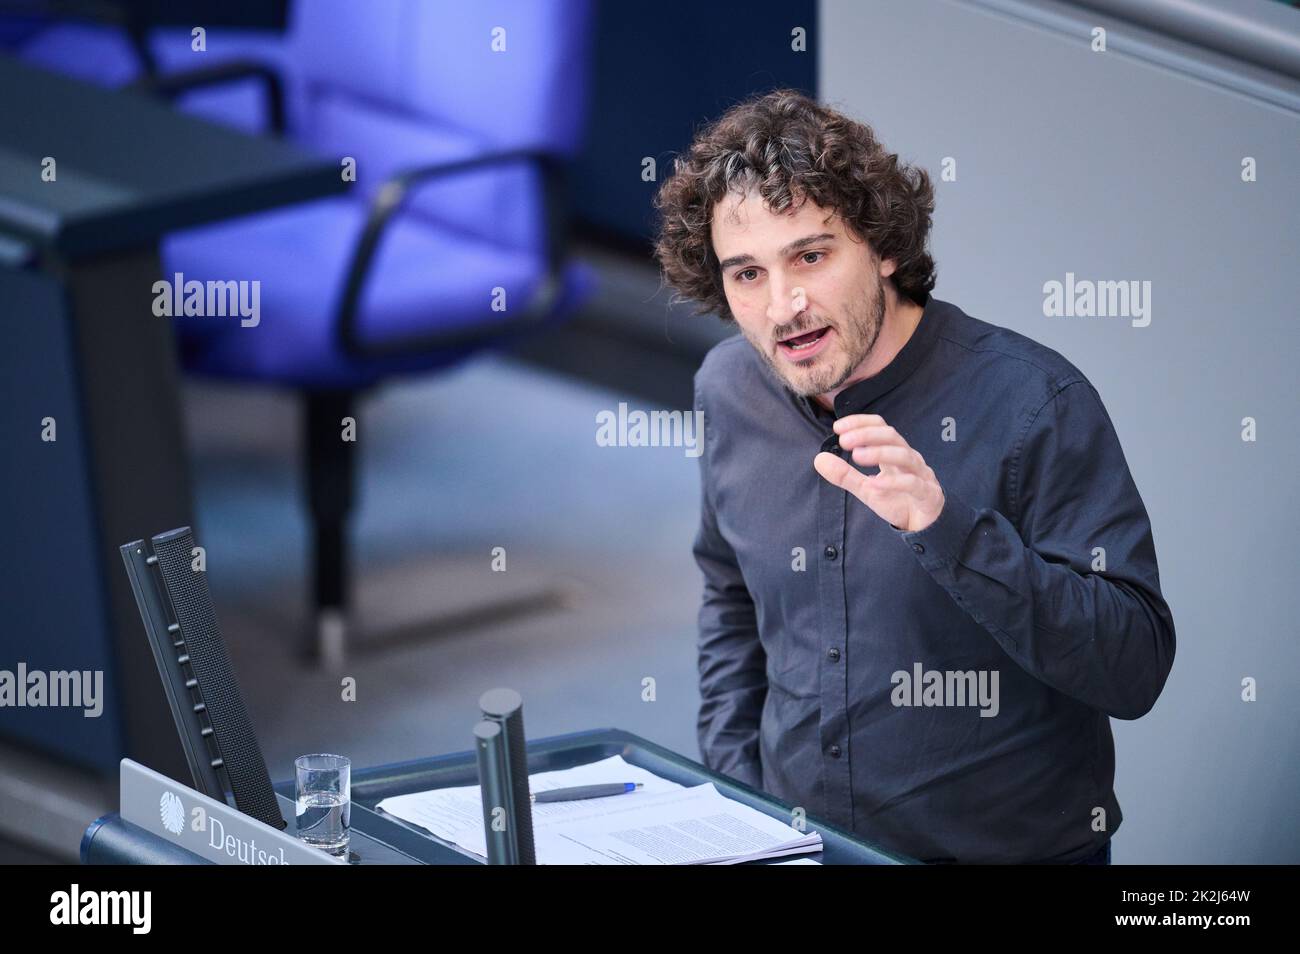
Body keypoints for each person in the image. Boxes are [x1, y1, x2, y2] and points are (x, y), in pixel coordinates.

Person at [652, 88, 1175, 864]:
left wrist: (948, 530)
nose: (783, 306)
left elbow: (1133, 670)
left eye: (811, 256)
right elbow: (730, 596)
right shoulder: (728, 388)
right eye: (747, 274)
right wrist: (738, 800)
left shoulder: (1035, 403)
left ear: (884, 246)